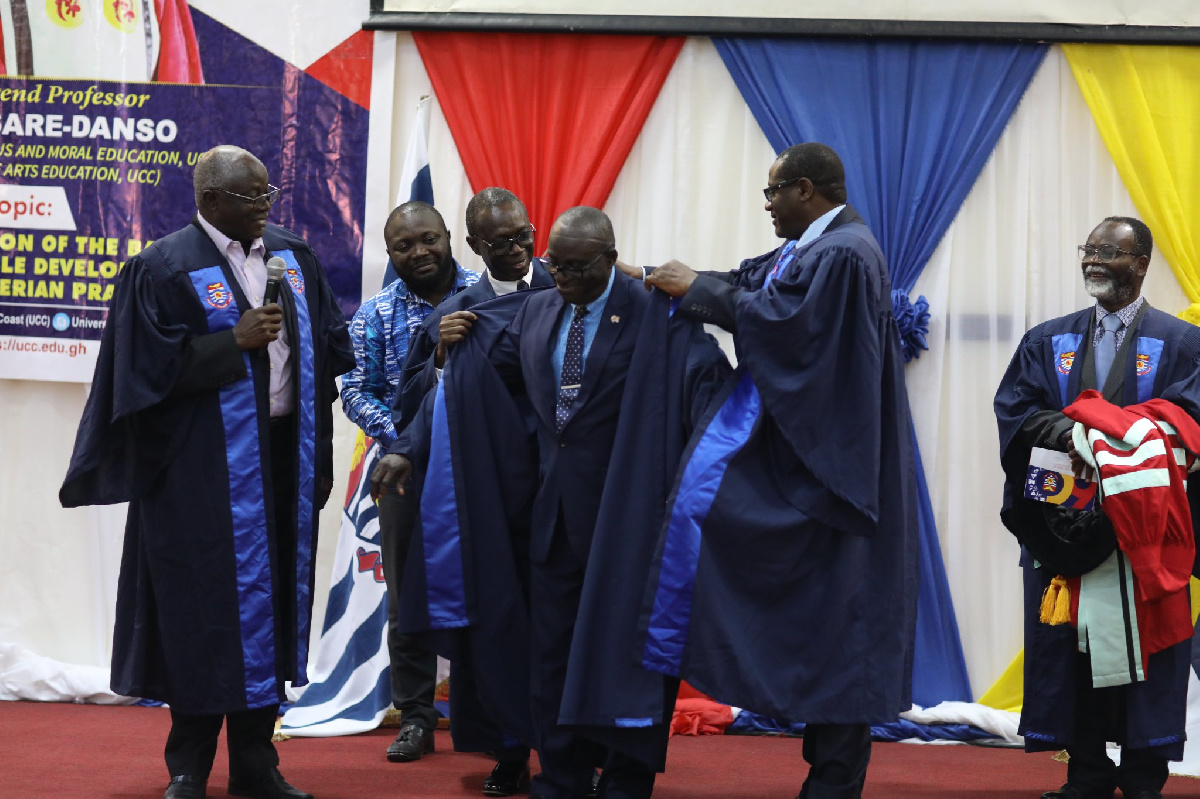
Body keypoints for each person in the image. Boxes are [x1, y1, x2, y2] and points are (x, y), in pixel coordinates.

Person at [375, 206, 731, 799]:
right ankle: (561, 777)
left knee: (631, 661)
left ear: (610, 258)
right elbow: (474, 383)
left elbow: (709, 390)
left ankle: (624, 779)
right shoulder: (538, 310)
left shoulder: (656, 314)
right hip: (551, 522)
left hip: (629, 525)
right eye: (556, 267)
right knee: (550, 660)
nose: (560, 278)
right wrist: (415, 432)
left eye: (574, 268)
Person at [59, 145, 354, 799]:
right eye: (253, 197)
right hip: (199, 473)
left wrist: (320, 456)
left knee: (272, 609)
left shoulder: (292, 256)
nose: (267, 205)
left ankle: (256, 761)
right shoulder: (163, 267)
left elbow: (330, 354)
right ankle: (188, 765)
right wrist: (232, 342)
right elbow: (139, 375)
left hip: (282, 463)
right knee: (199, 613)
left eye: (268, 193)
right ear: (211, 199)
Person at [637, 142, 919, 799]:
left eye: (772, 193)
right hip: (818, 456)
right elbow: (750, 287)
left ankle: (837, 778)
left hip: (834, 468)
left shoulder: (846, 253)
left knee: (846, 618)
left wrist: (698, 290)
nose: (765, 205)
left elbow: (794, 328)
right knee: (829, 621)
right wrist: (663, 278)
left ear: (806, 190)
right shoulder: (814, 249)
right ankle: (829, 770)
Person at [995, 217, 1200, 799]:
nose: (1094, 260)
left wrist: (1108, 438)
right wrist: (1073, 436)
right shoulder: (1047, 340)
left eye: (1110, 252)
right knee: (1070, 652)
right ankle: (1084, 773)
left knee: (1149, 653)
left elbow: (1188, 419)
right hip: (1067, 526)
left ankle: (1141, 777)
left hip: (1146, 532)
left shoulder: (1182, 343)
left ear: (1140, 265)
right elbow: (1017, 412)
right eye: (1089, 249)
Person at [339, 201, 479, 763]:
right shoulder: (374, 315)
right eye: (404, 246)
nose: (419, 252)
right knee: (407, 596)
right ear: (390, 252)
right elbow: (353, 388)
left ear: (449, 237)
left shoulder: (487, 294)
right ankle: (416, 716)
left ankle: (484, 715)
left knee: (486, 589)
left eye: (428, 239)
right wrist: (405, 436)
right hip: (404, 472)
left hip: (481, 466)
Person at [397, 186, 554, 431]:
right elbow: (409, 412)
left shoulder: (566, 286)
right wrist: (440, 358)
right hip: (495, 448)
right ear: (475, 245)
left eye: (524, 235)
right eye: (501, 243)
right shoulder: (454, 316)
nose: (517, 249)